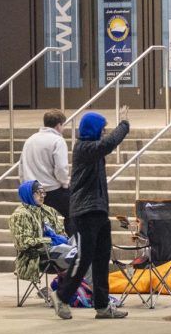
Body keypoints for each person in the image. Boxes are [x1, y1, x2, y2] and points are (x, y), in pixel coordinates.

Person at [52, 108, 131, 320]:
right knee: (84, 256)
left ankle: (102, 305)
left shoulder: (93, 148)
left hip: (98, 209)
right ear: (93, 130)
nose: (104, 133)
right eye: (102, 129)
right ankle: (62, 295)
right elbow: (107, 145)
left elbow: (105, 145)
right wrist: (123, 124)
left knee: (102, 257)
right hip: (85, 211)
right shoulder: (84, 148)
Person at [10, 180, 67, 298]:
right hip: (35, 257)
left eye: (43, 193)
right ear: (28, 195)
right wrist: (50, 240)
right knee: (78, 258)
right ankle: (68, 294)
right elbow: (23, 243)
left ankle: (75, 292)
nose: (42, 196)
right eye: (38, 193)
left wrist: (61, 239)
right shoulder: (20, 215)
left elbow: (62, 233)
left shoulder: (49, 210)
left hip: (56, 250)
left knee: (84, 253)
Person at [20, 110, 72, 233]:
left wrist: (25, 185)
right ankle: (74, 247)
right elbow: (61, 168)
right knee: (72, 214)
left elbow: (21, 166)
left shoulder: (30, 140)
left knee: (37, 221)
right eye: (63, 125)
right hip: (52, 189)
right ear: (59, 125)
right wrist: (65, 183)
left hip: (32, 189)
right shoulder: (57, 141)